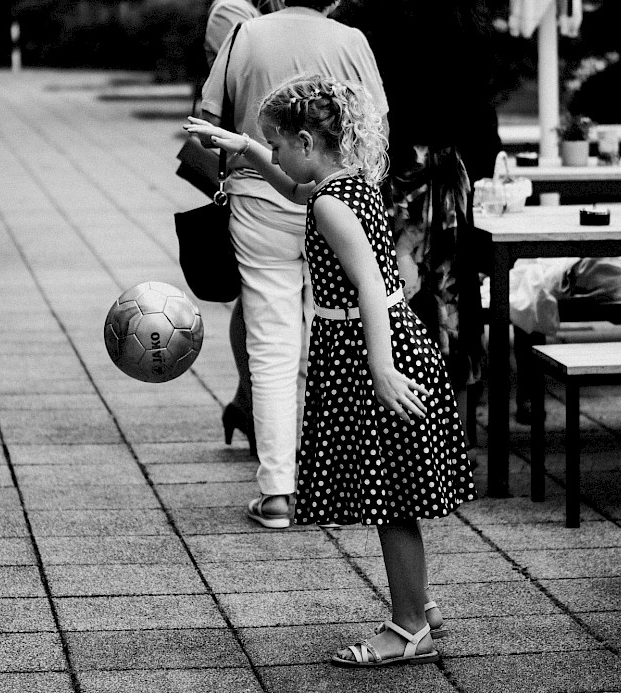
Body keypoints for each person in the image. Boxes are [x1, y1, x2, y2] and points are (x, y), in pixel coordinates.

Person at [185, 74, 476, 666]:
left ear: (307, 142)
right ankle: (418, 602)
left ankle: (408, 626)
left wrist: (381, 368)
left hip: (370, 345)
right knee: (393, 490)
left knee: (388, 496)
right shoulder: (348, 184)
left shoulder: (330, 205)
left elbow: (369, 285)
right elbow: (293, 188)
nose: (280, 155)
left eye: (278, 142)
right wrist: (242, 148)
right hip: (384, 338)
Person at [199, 0, 387, 529]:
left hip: (259, 201)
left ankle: (279, 491)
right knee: (340, 336)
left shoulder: (246, 36)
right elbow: (379, 126)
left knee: (272, 344)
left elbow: (209, 122)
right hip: (337, 202)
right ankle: (345, 482)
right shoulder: (352, 41)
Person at [344, 0, 499, 443]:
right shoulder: (474, 33)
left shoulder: (395, 28)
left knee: (403, 293)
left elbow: (382, 108)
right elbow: (483, 120)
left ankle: (405, 415)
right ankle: (456, 424)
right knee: (454, 293)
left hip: (404, 176)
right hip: (453, 179)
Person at [203, 0, 286, 456]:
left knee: (263, 298)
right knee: (253, 295)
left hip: (285, 164)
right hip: (250, 164)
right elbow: (245, 93)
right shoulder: (232, 14)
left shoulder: (272, 10)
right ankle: (253, 403)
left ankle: (247, 402)